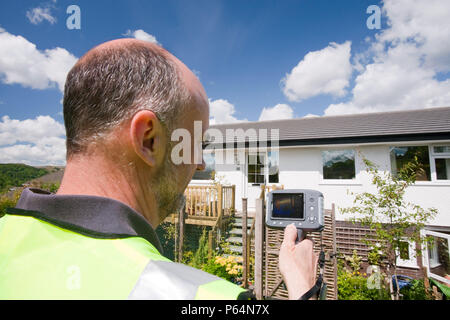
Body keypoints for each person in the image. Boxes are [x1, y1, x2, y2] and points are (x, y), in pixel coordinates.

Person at [0, 39, 318, 300]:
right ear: (149, 139)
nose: (200, 163)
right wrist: (304, 288)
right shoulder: (204, 296)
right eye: (194, 144)